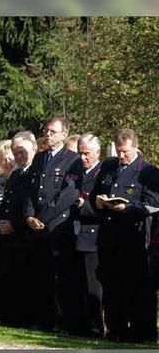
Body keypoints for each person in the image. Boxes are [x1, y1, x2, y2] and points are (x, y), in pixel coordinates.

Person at [90, 128, 159, 342]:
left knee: (137, 287)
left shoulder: (147, 172)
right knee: (111, 286)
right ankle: (115, 328)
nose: (121, 156)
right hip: (109, 238)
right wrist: (99, 202)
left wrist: (127, 208)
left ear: (136, 148)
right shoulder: (109, 167)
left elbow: (153, 204)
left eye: (126, 152)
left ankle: (143, 331)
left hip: (133, 239)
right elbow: (94, 194)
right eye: (119, 151)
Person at [23, 117, 81, 331]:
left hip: (57, 226)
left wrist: (44, 217)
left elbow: (69, 194)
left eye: (53, 131)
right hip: (36, 226)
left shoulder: (72, 159)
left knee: (61, 277)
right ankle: (43, 319)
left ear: (64, 134)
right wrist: (29, 215)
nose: (48, 134)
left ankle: (64, 321)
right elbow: (30, 190)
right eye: (46, 131)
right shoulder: (39, 159)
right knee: (39, 276)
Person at [0, 131, 37, 327]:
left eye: (22, 152)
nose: (19, 156)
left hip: (25, 233)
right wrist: (2, 221)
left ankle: (25, 318)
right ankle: (10, 316)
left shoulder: (35, 172)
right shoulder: (16, 173)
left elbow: (31, 204)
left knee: (25, 279)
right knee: (9, 277)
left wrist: (14, 224)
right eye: (15, 153)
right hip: (9, 234)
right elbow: (7, 203)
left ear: (33, 149)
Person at [71, 133, 104, 337]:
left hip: (94, 235)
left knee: (94, 285)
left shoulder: (102, 173)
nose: (83, 158)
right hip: (75, 233)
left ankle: (96, 325)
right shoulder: (77, 171)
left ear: (97, 153)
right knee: (77, 283)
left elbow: (104, 204)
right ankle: (80, 323)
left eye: (87, 154)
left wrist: (86, 206)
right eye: (80, 153)